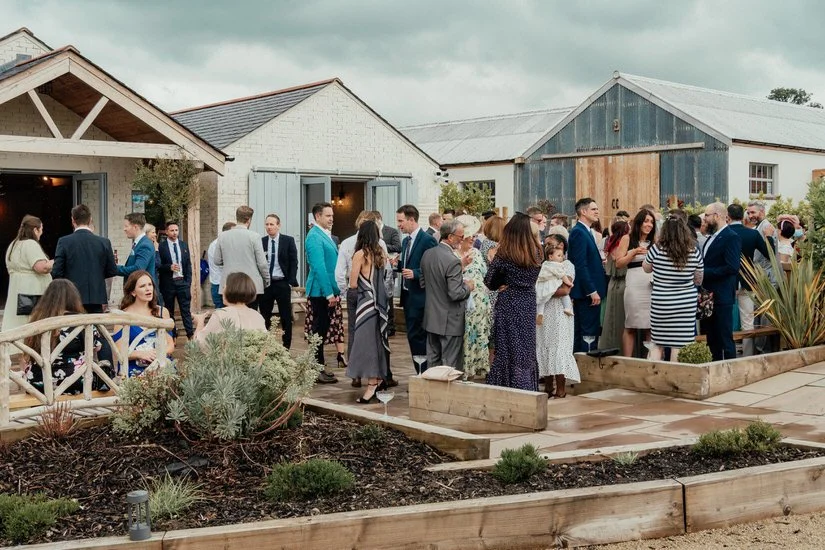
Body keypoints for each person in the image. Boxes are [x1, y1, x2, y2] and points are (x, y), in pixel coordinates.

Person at [22, 279, 114, 394]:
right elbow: (97, 347)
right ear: (74, 299)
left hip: (37, 383)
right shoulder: (83, 322)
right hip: (74, 381)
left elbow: (26, 355)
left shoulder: (36, 321)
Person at [484, 212, 542, 391]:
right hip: (528, 301)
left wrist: (504, 283)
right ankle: (527, 386)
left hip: (509, 302)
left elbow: (489, 281)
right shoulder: (537, 253)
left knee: (507, 347)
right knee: (525, 347)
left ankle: (509, 385)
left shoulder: (505, 254)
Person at [335, 211, 392, 387]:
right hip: (379, 298)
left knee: (357, 334)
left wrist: (346, 293)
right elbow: (387, 276)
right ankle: (382, 374)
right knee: (379, 336)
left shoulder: (358, 252)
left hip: (363, 297)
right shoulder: (381, 251)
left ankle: (357, 374)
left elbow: (351, 282)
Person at [643, 215, 704, 361]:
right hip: (685, 302)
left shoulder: (656, 249)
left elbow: (646, 268)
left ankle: (652, 378)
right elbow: (699, 279)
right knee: (680, 344)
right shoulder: (693, 251)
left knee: (657, 344)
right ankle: (674, 380)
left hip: (661, 300)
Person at [421, 220, 473, 371]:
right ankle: (448, 395)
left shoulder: (427, 254)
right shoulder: (452, 260)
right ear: (450, 237)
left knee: (433, 363)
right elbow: (456, 293)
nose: (463, 239)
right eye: (461, 236)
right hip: (451, 320)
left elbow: (423, 283)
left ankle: (432, 393)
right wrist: (468, 286)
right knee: (450, 366)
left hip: (432, 317)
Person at [394, 204, 438, 373]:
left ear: (411, 219)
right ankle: (420, 372)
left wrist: (416, 273)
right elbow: (407, 264)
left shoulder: (427, 240)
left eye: (401, 221)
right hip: (408, 296)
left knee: (418, 337)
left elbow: (434, 266)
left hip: (421, 297)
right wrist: (397, 265)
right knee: (412, 337)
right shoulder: (406, 241)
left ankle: (424, 373)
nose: (399, 225)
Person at [52, 204, 118, 314]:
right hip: (97, 297)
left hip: (71, 297)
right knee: (93, 329)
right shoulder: (104, 242)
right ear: (90, 219)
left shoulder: (64, 242)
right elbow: (112, 270)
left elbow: (56, 272)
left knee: (74, 330)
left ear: (73, 220)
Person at [727, 203, 772, 356]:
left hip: (727, 280)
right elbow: (769, 254)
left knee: (725, 319)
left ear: (728, 216)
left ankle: (728, 353)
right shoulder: (752, 234)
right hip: (748, 280)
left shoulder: (723, 233)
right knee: (748, 321)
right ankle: (747, 356)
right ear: (743, 216)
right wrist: (769, 236)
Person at [536, 235, 578, 397]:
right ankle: (547, 385)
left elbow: (565, 290)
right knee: (544, 343)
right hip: (544, 311)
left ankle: (561, 387)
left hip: (560, 311)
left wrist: (543, 293)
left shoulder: (567, 265)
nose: (545, 247)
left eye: (549, 244)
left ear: (561, 246)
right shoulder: (544, 264)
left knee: (559, 345)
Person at [113, 270, 175, 378]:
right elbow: (118, 351)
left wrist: (158, 353)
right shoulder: (122, 316)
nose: (148, 289)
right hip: (134, 368)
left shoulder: (162, 312)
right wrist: (140, 354)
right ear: (133, 292)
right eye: (142, 286)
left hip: (160, 364)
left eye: (150, 284)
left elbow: (170, 345)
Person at [701, 202, 742, 361]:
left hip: (722, 295)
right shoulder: (711, 237)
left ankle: (731, 371)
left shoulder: (731, 237)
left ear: (717, 216)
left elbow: (732, 267)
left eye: (706, 215)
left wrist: (704, 272)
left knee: (725, 338)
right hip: (709, 296)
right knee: (712, 339)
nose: (704, 219)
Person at [305, 202, 340, 384]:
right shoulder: (314, 236)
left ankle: (319, 366)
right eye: (328, 215)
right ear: (317, 217)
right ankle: (315, 369)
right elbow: (319, 267)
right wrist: (329, 294)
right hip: (320, 291)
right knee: (318, 330)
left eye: (332, 215)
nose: (331, 218)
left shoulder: (325, 235)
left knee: (322, 330)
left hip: (327, 290)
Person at [454, 216, 491, 378]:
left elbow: (485, 274)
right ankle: (463, 370)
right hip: (462, 301)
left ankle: (476, 368)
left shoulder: (476, 252)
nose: (473, 239)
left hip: (480, 301)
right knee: (465, 337)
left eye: (475, 236)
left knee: (479, 335)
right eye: (471, 237)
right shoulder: (453, 254)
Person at [568, 198, 607, 353]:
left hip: (589, 291)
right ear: (583, 212)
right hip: (586, 294)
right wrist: (592, 290)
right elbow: (580, 265)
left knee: (585, 331)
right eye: (593, 209)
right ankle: (585, 368)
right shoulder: (578, 232)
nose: (597, 212)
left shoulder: (586, 231)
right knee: (587, 333)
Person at [2, 215, 53, 332]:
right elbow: (41, 267)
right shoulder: (30, 244)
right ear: (35, 230)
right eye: (41, 229)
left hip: (17, 294)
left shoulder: (13, 244)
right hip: (31, 295)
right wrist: (58, 260)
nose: (42, 233)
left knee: (16, 326)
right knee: (30, 325)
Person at [214, 205, 270, 309]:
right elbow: (262, 263)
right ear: (249, 220)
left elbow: (217, 261)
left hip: (229, 284)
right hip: (251, 285)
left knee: (232, 319)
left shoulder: (223, 236)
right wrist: (266, 279)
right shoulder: (255, 236)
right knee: (249, 318)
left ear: (237, 217)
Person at [259, 213, 298, 348]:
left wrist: (290, 281)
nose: (269, 227)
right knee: (265, 315)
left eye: (271, 224)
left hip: (282, 282)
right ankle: (266, 345)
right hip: (267, 284)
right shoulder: (261, 241)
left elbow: (294, 262)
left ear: (278, 225)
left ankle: (286, 346)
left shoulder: (288, 240)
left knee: (286, 316)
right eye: (267, 224)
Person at [621, 209, 656, 356]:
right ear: (639, 223)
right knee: (631, 325)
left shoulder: (655, 241)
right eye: (646, 221)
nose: (649, 225)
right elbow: (618, 263)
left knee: (651, 325)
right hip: (634, 283)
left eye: (652, 222)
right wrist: (634, 252)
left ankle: (651, 360)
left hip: (651, 284)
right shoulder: (627, 239)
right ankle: (627, 361)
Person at [193, 272, 266, 343]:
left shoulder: (221, 315)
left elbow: (199, 345)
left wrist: (199, 322)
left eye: (224, 287)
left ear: (230, 290)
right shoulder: (257, 316)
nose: (222, 291)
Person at [157, 221, 194, 340]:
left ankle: (190, 335)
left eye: (176, 230)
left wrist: (188, 282)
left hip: (182, 282)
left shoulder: (183, 245)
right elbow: (158, 265)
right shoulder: (161, 247)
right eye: (172, 230)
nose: (174, 233)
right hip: (168, 283)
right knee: (169, 311)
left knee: (186, 311)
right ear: (167, 232)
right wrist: (169, 267)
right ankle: (172, 336)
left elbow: (188, 264)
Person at [598, 220, 630, 351]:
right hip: (622, 283)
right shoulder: (621, 247)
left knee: (611, 317)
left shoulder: (610, 244)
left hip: (612, 284)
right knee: (621, 318)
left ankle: (611, 345)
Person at [377, 211, 402, 337]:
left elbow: (398, 247)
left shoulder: (391, 231)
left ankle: (390, 326)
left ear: (379, 219)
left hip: (389, 271)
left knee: (389, 298)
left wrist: (381, 246)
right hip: (377, 270)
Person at [116, 213, 156, 288]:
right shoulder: (139, 243)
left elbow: (138, 269)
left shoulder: (145, 245)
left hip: (141, 292)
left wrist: (114, 268)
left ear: (135, 227)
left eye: (126, 226)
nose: (124, 229)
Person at [207, 222, 235, 309]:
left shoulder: (221, 243)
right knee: (222, 314)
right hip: (219, 284)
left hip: (223, 283)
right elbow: (223, 264)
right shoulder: (217, 245)